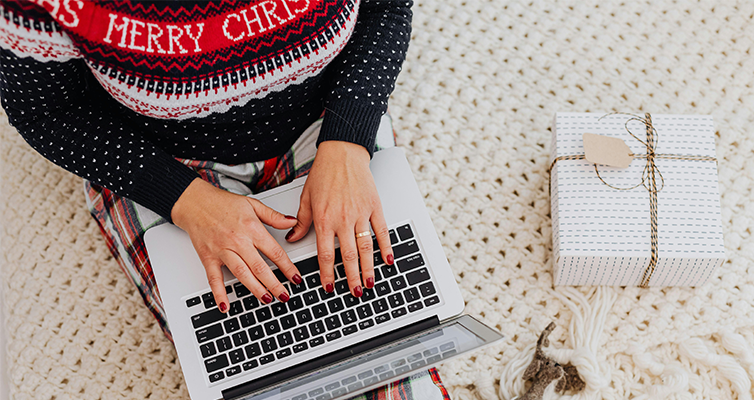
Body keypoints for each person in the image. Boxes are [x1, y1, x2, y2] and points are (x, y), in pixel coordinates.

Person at [0, 0, 451, 397]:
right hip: (155, 156)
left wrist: (349, 139)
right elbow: (45, 109)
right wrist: (183, 199)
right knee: (253, 362)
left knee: (386, 343)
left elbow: (384, 7)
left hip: (328, 116)